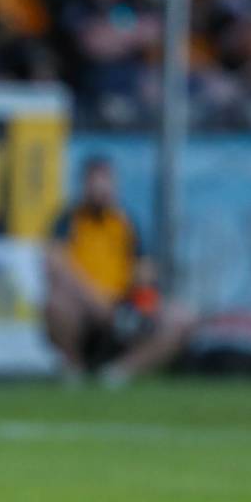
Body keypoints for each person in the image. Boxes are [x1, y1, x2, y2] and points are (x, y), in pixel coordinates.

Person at [45, 155, 195, 385]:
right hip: (84, 308)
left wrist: (137, 299)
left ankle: (120, 372)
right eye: (95, 183)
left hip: (122, 308)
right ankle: (74, 368)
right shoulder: (68, 220)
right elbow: (56, 266)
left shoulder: (126, 221)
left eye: (106, 182)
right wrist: (95, 301)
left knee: (182, 317)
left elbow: (145, 269)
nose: (101, 189)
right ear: (84, 186)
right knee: (56, 304)